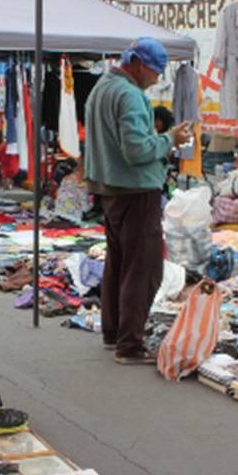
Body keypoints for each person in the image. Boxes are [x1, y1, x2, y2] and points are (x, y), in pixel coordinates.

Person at [84, 38, 191, 364]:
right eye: (156, 71)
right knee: (144, 269)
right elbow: (138, 150)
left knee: (119, 263)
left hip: (111, 189)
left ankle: (113, 333)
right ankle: (129, 345)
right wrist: (169, 139)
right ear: (140, 64)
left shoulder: (102, 87)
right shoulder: (129, 95)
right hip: (135, 190)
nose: (157, 79)